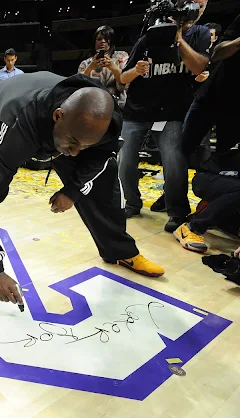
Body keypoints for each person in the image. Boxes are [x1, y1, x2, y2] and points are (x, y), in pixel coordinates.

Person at [0, 72, 164, 304]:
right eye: (73, 143)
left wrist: (72, 191)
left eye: (86, 146)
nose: (75, 153)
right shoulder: (17, 127)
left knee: (105, 176)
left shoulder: (105, 122)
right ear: (58, 116)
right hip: (7, 108)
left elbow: (98, 158)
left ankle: (119, 251)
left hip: (59, 121)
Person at [117, 0, 210, 232]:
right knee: (125, 160)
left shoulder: (199, 34)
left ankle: (177, 212)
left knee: (174, 161)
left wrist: (178, 39)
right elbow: (123, 78)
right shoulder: (149, 36)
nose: (196, 9)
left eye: (202, 4)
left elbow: (199, 66)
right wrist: (136, 70)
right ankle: (131, 203)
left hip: (170, 111)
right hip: (137, 109)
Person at [173, 13, 240, 252]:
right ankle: (187, 219)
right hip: (212, 97)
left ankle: (209, 210)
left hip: (225, 172)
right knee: (182, 150)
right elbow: (218, 52)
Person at [78, 25, 129, 108]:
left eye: (106, 38)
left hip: (117, 105)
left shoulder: (121, 56)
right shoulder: (85, 63)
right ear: (94, 42)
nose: (103, 41)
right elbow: (79, 88)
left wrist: (113, 67)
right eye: (99, 39)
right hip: (93, 105)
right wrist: (90, 68)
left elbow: (124, 85)